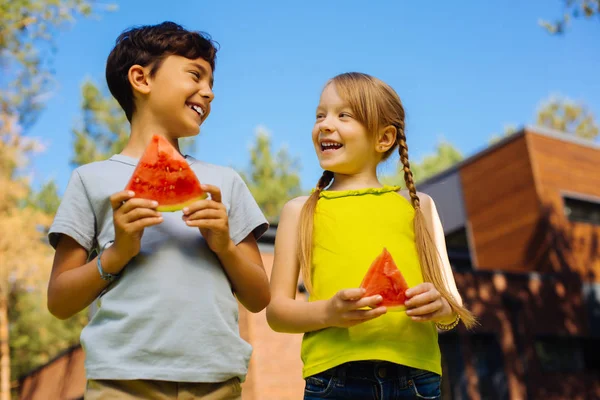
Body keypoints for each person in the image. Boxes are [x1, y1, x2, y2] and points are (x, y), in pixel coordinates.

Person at [47, 21, 270, 400]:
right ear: (141, 78)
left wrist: (225, 246)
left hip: (215, 378)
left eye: (212, 83)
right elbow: (59, 301)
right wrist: (118, 253)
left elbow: (259, 296)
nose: (209, 92)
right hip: (121, 378)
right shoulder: (91, 179)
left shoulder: (224, 182)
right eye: (195, 75)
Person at [266, 72, 476, 399]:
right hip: (334, 378)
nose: (325, 124)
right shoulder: (300, 210)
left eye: (343, 115)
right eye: (320, 115)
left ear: (384, 138)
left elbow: (453, 303)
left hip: (416, 378)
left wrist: (440, 306)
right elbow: (277, 312)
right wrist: (327, 313)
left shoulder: (420, 207)